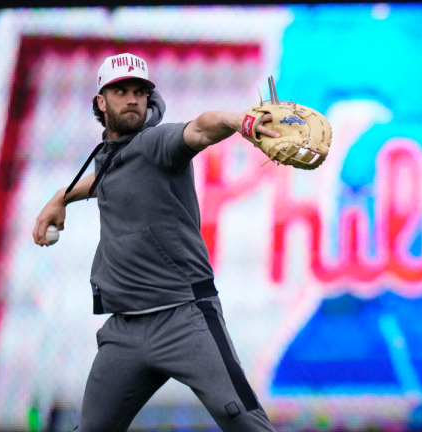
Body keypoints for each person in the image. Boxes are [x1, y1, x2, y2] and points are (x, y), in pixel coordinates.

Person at [32, 53, 279, 432]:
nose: (132, 98)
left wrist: (240, 121)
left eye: (139, 91)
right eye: (120, 91)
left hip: (185, 317)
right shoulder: (110, 157)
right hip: (125, 331)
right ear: (101, 101)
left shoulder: (157, 143)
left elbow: (201, 127)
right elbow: (102, 178)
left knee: (245, 421)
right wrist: (59, 197)